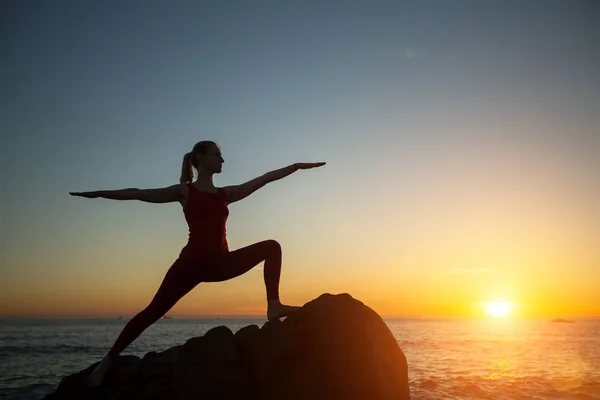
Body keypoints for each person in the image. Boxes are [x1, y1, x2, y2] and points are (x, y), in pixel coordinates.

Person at [69, 140, 326, 386]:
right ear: (200, 158)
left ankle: (274, 306)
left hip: (221, 264)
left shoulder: (226, 194)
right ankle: (108, 361)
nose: (222, 159)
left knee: (272, 247)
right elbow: (138, 194)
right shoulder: (184, 191)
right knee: (151, 313)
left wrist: (294, 167)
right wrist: (99, 194)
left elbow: (263, 179)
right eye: (217, 154)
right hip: (189, 267)